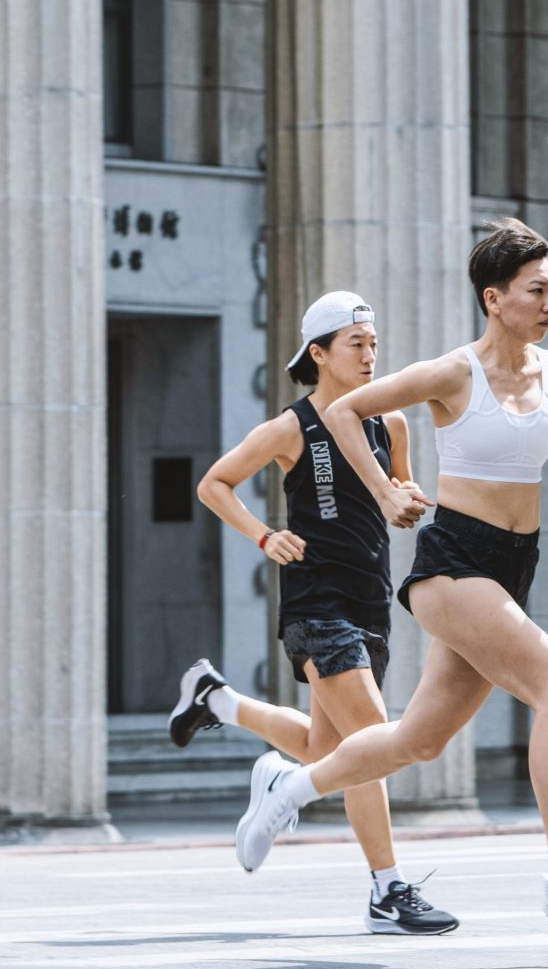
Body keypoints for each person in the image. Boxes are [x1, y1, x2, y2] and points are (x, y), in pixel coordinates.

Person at [229, 220, 548, 920]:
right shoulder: (455, 372)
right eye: (536, 290)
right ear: (494, 298)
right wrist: (388, 489)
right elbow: (342, 410)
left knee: (417, 740)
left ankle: (291, 788)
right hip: (454, 565)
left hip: (513, 566)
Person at [169, 291, 457, 936]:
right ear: (319, 354)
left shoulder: (392, 423)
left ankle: (216, 702)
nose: (370, 355)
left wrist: (406, 497)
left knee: (327, 748)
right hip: (316, 603)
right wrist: (265, 536)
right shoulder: (291, 428)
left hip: (370, 601)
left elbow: (399, 493)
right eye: (356, 345)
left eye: (374, 344)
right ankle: (387, 891)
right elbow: (214, 483)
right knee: (370, 742)